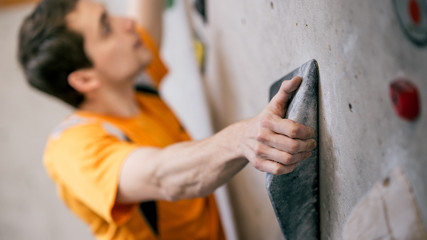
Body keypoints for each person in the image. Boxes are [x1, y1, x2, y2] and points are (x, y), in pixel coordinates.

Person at [17, 0, 317, 239]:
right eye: (106, 28)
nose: (128, 24)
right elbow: (161, 176)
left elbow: (144, 17)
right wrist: (243, 138)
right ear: (84, 78)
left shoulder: (132, 87)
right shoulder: (71, 149)